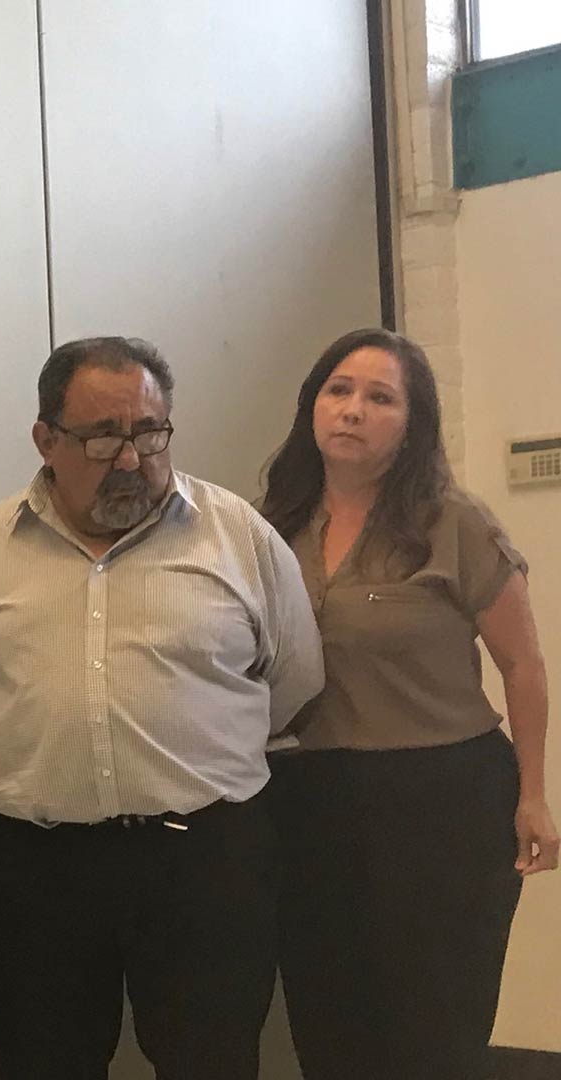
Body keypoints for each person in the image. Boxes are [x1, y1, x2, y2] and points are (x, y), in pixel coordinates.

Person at [0, 336, 323, 1079]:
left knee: (211, 1062)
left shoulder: (237, 536)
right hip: (39, 868)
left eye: (149, 432)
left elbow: (293, 681)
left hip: (204, 859)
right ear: (46, 440)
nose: (130, 457)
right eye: (103, 434)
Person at [259, 327, 556, 1080]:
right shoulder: (270, 528)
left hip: (444, 798)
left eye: (379, 397)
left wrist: (533, 795)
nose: (352, 410)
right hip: (311, 799)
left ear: (411, 423)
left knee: (433, 1032)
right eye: (338, 390)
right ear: (312, 407)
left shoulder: (453, 522)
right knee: (328, 1024)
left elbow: (521, 663)